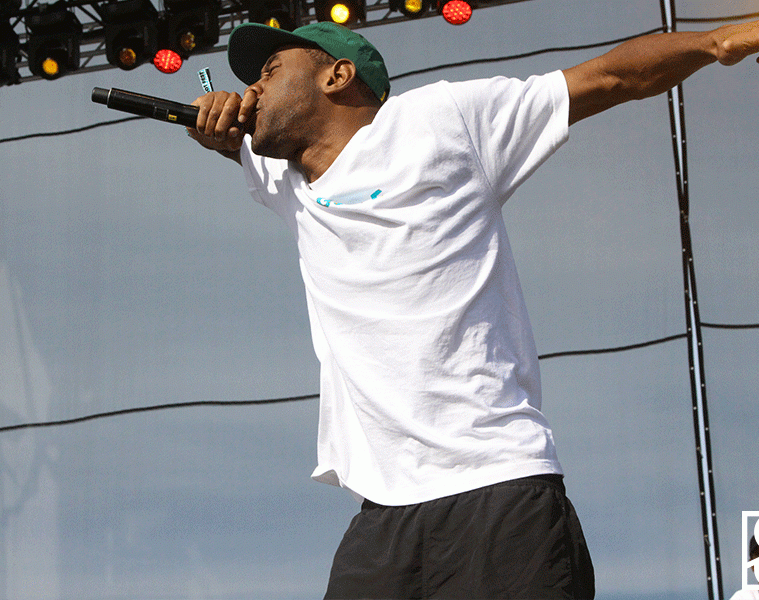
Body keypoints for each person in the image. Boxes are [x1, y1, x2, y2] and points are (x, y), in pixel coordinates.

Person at [186, 19, 759, 599]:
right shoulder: (289, 180)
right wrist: (214, 124)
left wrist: (722, 41)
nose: (252, 90)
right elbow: (236, 139)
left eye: (269, 71)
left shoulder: (437, 121)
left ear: (337, 76)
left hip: (499, 491)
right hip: (383, 518)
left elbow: (611, 77)